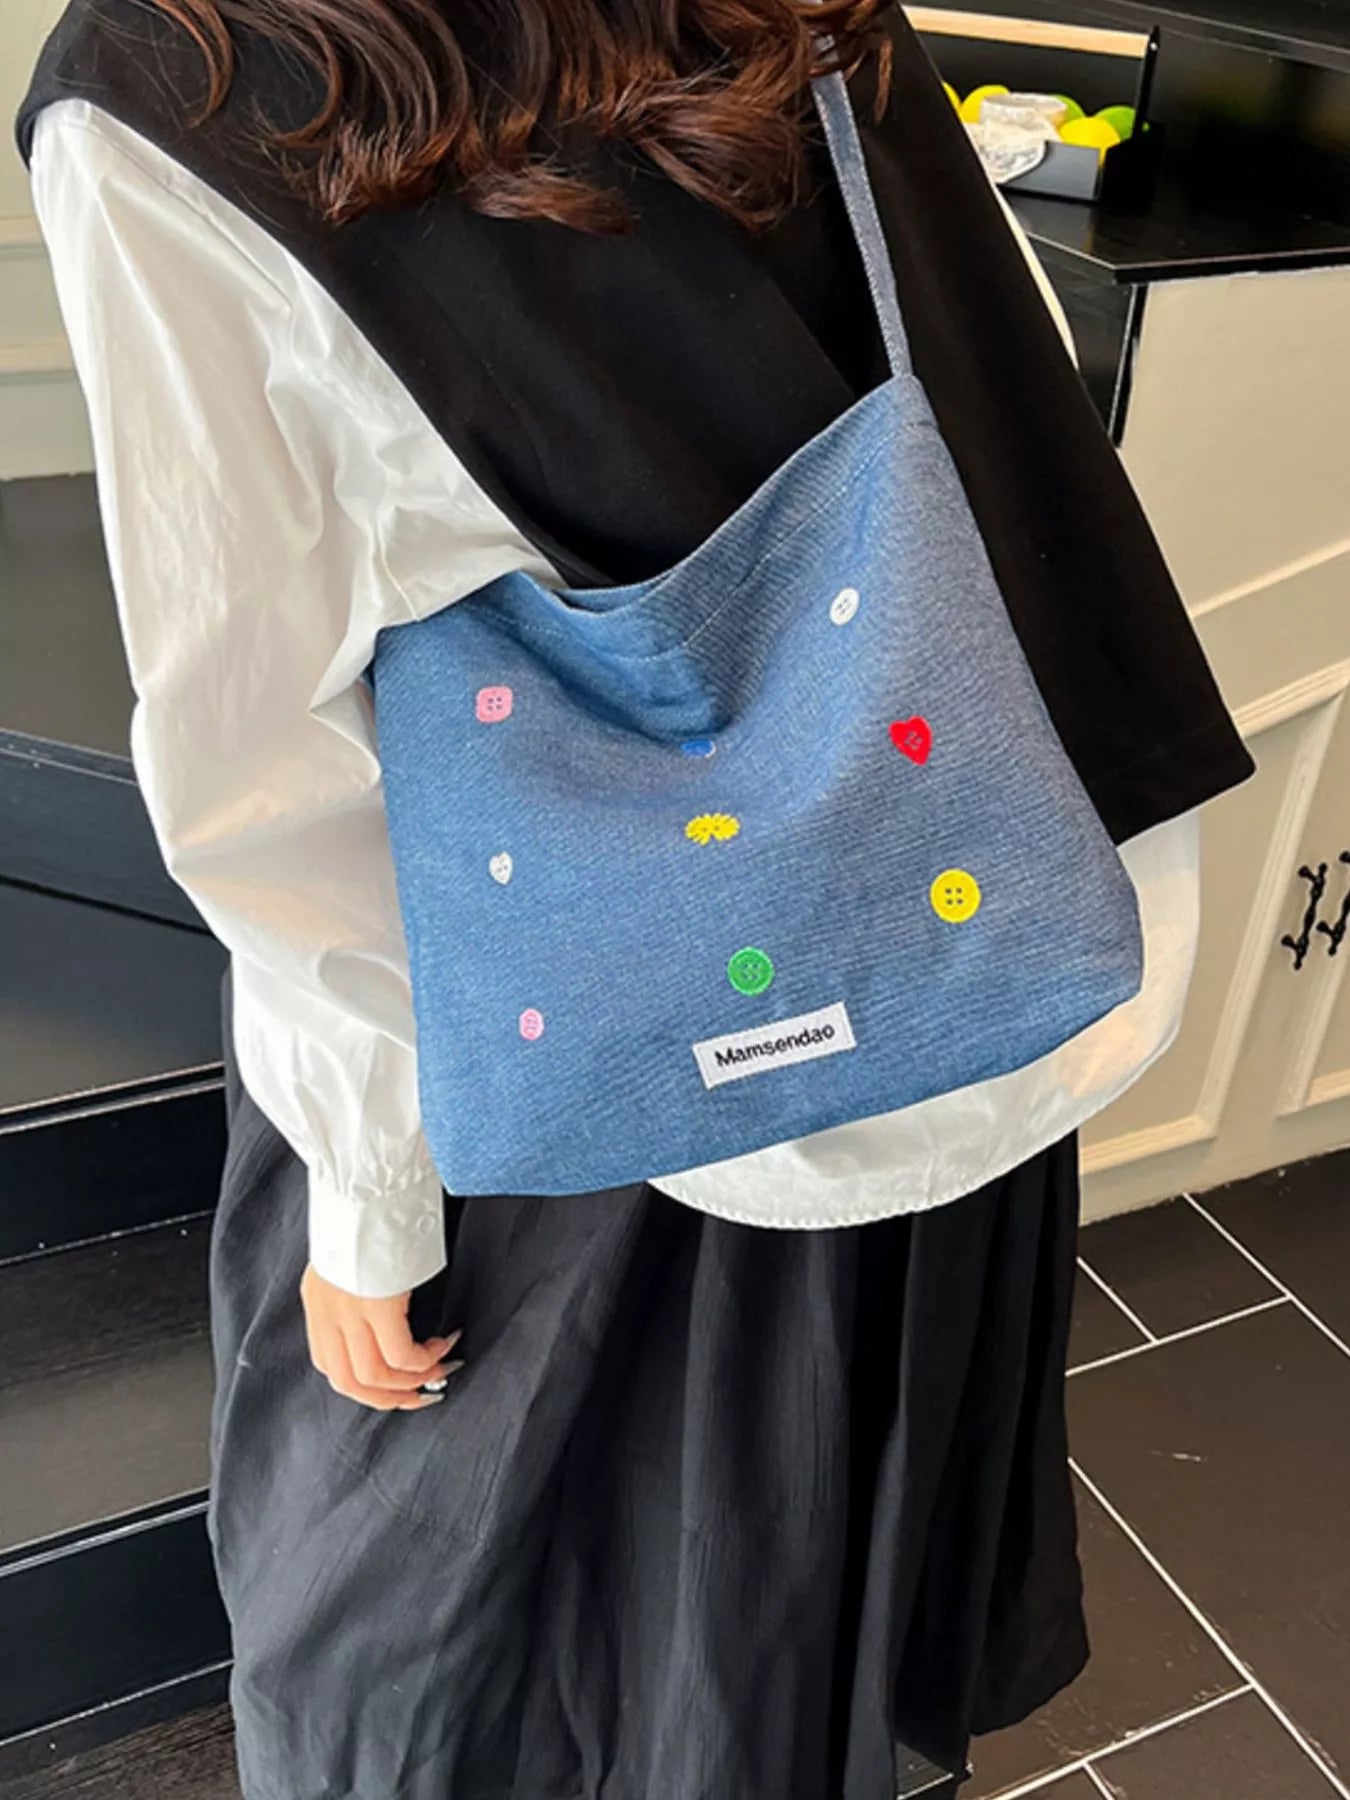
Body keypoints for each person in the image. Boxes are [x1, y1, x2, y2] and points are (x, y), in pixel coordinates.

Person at [17, 0, 1251, 1793]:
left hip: (577, 1045)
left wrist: (368, 1197)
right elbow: (994, 376)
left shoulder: (177, 84)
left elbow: (263, 755)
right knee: (773, 1638)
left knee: (448, 1669)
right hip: (955, 922)